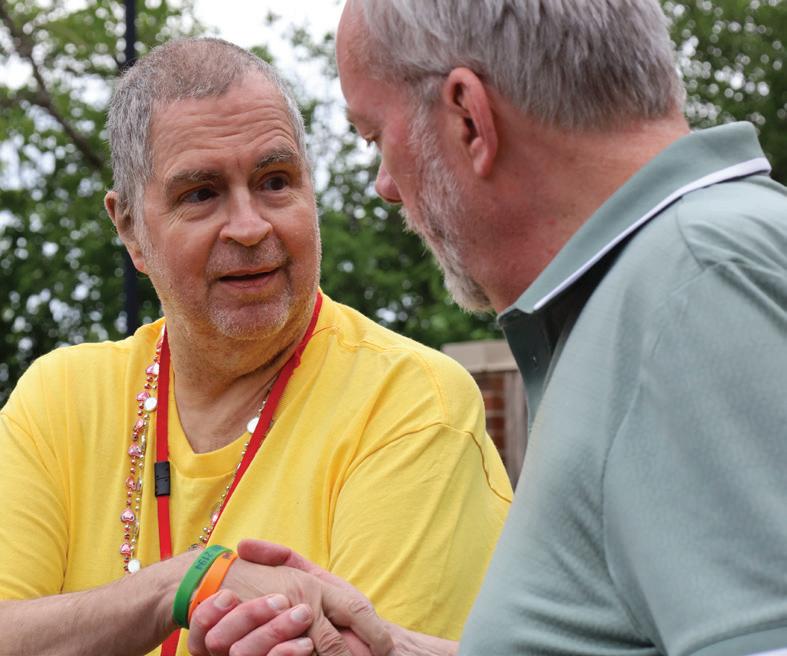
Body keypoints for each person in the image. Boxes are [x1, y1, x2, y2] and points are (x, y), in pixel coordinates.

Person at [193, 0, 787, 654]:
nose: (385, 185)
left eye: (375, 138)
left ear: (468, 118)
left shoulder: (696, 283)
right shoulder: (667, 279)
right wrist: (392, 651)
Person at [0, 37, 514, 656]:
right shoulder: (59, 399)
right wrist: (181, 585)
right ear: (130, 228)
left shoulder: (411, 404)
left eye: (275, 182)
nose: (249, 227)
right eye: (201, 194)